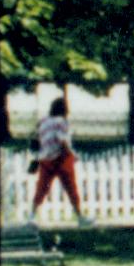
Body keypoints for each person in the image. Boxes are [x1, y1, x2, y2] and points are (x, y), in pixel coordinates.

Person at [27, 92, 85, 222]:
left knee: (41, 188)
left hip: (45, 159)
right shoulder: (62, 122)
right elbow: (62, 140)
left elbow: (35, 138)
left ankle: (31, 216)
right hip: (61, 159)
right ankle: (80, 217)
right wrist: (73, 155)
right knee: (71, 188)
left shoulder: (43, 121)